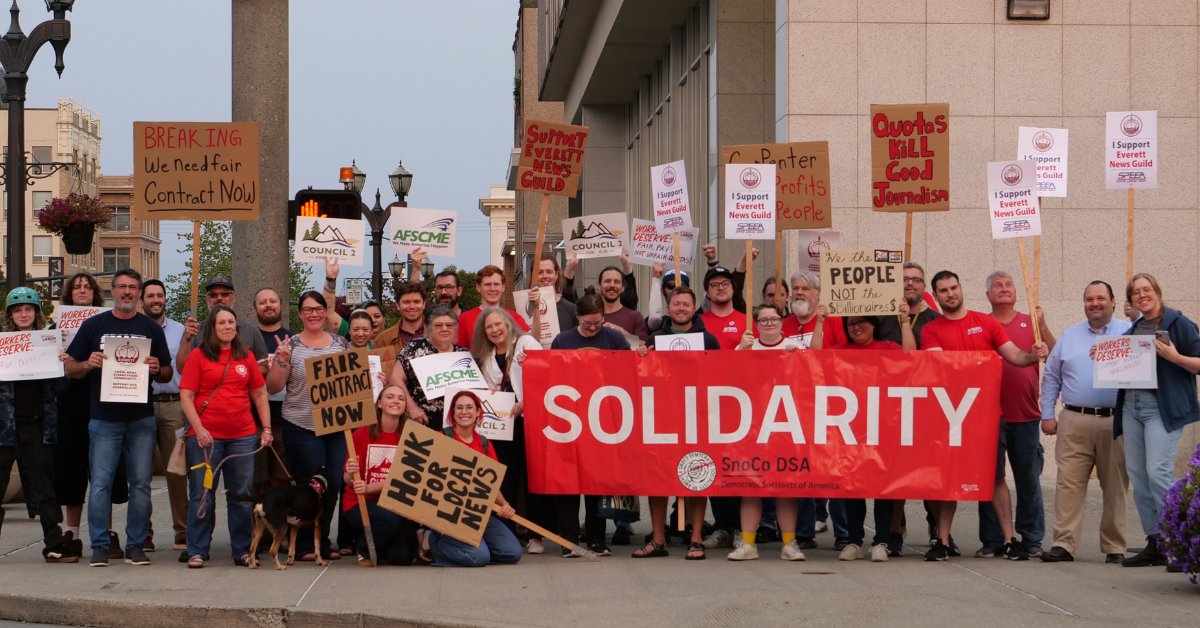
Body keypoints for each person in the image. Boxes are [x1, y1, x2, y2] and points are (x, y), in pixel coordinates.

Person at [919, 270, 1048, 562]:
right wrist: (981, 362)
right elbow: (943, 367)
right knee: (948, 479)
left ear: (961, 288)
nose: (950, 294)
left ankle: (1009, 539)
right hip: (950, 416)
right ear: (936, 296)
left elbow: (1015, 356)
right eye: (943, 290)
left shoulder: (986, 322)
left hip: (988, 415)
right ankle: (942, 541)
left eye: (953, 287)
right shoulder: (931, 330)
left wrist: (1032, 353)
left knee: (995, 478)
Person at [64, 268, 174, 567]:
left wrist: (155, 367)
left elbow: (167, 371)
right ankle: (100, 545)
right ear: (113, 290)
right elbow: (70, 369)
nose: (127, 292)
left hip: (141, 418)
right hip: (104, 418)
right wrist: (88, 363)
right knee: (100, 483)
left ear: (139, 293)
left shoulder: (150, 329)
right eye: (122, 286)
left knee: (140, 484)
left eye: (133, 287)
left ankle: (135, 545)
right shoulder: (94, 325)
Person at [811, 308, 916, 563]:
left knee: (882, 487)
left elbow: (912, 356)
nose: (856, 327)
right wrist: (821, 321)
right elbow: (814, 356)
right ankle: (854, 541)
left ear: (874, 325)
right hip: (851, 430)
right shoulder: (841, 349)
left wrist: (904, 320)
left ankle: (881, 541)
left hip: (883, 428)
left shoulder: (888, 347)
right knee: (853, 487)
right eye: (851, 324)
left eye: (862, 323)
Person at [1039, 280, 1130, 564]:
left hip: (1116, 421)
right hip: (1074, 419)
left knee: (1115, 486)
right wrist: (1047, 413)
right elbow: (1052, 376)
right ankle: (1063, 544)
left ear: (1113, 302)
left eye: (1101, 298)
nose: (1095, 303)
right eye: (1089, 299)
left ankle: (1115, 546)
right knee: (1069, 484)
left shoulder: (1128, 333)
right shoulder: (1070, 336)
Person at [1116, 273, 1200, 569]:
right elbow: (1121, 365)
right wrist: (1102, 357)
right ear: (1131, 300)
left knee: (1158, 472)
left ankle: (1182, 542)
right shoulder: (1134, 329)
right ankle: (1156, 542)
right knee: (1138, 476)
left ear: (1157, 292)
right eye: (1136, 292)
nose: (1142, 295)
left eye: (1146, 289)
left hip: (1161, 407)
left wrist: (1175, 356)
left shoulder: (1179, 323)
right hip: (1132, 406)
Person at [179, 305, 273, 568]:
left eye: (231, 322)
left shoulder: (246, 356)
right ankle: (197, 549)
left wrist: (265, 429)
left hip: (242, 436)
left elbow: (259, 393)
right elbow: (186, 396)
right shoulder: (198, 356)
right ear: (212, 327)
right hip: (206, 439)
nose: (228, 327)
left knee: (241, 494)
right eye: (221, 323)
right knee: (201, 494)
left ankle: (242, 550)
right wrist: (198, 430)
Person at [636, 287, 719, 560]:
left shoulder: (708, 340)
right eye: (676, 303)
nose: (681, 308)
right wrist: (641, 357)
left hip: (698, 417)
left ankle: (695, 539)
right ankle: (658, 539)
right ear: (668, 308)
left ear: (694, 308)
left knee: (697, 475)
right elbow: (643, 377)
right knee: (657, 478)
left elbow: (722, 376)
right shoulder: (655, 339)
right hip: (662, 418)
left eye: (686, 303)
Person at [266, 290, 349, 561]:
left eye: (319, 309)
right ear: (300, 314)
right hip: (301, 426)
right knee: (310, 486)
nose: (314, 314)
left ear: (326, 312)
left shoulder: (341, 343)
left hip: (336, 427)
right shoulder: (290, 345)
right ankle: (303, 545)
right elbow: (274, 386)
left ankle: (322, 542)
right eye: (308, 309)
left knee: (334, 483)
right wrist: (281, 360)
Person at [977, 271, 1055, 559]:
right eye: (997, 285)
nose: (1004, 289)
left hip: (1025, 414)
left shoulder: (1030, 322)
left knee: (1028, 478)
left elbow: (1055, 355)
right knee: (990, 478)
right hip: (987, 415)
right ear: (987, 294)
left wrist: (1044, 327)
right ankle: (993, 539)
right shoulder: (981, 324)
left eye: (1008, 284)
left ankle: (1032, 537)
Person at [551, 288, 630, 556]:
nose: (594, 328)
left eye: (598, 323)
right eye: (588, 324)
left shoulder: (615, 338)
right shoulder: (563, 340)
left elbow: (629, 371)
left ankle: (597, 538)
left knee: (597, 480)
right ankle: (569, 540)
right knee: (568, 481)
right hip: (570, 418)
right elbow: (551, 375)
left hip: (602, 419)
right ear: (578, 318)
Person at [53, 271, 127, 558]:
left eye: (87, 286)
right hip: (71, 406)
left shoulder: (108, 323)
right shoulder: (55, 327)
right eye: (76, 287)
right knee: (73, 471)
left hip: (105, 400)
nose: (82, 290)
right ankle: (72, 533)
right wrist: (55, 348)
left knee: (104, 471)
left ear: (95, 293)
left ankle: (106, 532)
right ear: (69, 294)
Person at [0, 288, 75, 562]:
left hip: (37, 426)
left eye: (28, 309)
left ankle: (53, 545)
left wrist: (63, 365)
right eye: (18, 310)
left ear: (36, 313)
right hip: (4, 429)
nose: (23, 314)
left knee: (45, 489)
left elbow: (61, 390)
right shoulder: (2, 345)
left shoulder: (48, 343)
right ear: (10, 315)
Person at [727, 303, 805, 561]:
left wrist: (799, 359)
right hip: (752, 427)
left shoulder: (796, 348)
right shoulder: (746, 347)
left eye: (774, 319)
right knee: (751, 485)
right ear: (756, 324)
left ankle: (789, 543)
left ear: (782, 322)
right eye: (764, 320)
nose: (769, 323)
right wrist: (740, 350)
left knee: (785, 487)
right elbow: (727, 377)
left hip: (785, 426)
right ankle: (748, 543)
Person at [470, 307, 544, 550]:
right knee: (505, 479)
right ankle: (508, 532)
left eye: (498, 324)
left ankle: (535, 535)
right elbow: (488, 388)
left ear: (508, 322)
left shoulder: (526, 342)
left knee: (532, 478)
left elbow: (545, 375)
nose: (494, 330)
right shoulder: (486, 355)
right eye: (489, 327)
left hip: (531, 422)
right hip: (502, 426)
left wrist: (526, 402)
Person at [427, 390, 522, 567]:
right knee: (479, 558)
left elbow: (490, 485)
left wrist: (504, 505)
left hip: (478, 514)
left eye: (469, 407)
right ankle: (435, 543)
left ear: (478, 412)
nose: (464, 412)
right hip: (449, 515)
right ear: (453, 413)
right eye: (459, 408)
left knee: (512, 553)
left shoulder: (484, 443)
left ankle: (471, 546)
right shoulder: (443, 438)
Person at [342, 384, 419, 566]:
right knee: (390, 520)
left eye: (401, 398)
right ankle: (363, 548)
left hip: (394, 502)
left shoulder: (412, 436)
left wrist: (371, 486)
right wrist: (352, 474)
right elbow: (347, 479)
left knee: (403, 559)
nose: (396, 401)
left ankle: (379, 544)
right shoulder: (361, 433)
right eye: (390, 397)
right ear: (379, 404)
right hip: (360, 502)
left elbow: (406, 479)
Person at [141, 278, 189, 552]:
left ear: (165, 299)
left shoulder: (181, 331)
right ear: (142, 300)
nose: (156, 300)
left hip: (173, 403)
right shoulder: (133, 329)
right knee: (141, 473)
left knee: (177, 471)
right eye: (150, 295)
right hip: (141, 404)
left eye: (160, 295)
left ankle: (182, 532)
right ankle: (143, 533)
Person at [391, 305, 468, 431]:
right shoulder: (415, 347)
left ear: (456, 328)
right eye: (438, 325)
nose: (444, 329)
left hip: (455, 428)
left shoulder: (463, 354)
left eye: (449, 325)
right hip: (420, 424)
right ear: (430, 328)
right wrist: (411, 408)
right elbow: (395, 378)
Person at [177, 277, 269, 375]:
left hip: (241, 389)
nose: (219, 298)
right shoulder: (194, 330)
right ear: (206, 299)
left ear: (234, 297)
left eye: (225, 294)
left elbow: (263, 366)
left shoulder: (250, 330)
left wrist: (238, 373)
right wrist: (186, 340)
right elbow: (182, 370)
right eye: (213, 295)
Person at [252, 288, 291, 491]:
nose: (268, 305)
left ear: (281, 305)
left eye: (273, 301)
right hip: (253, 421)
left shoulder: (292, 339)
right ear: (255, 308)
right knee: (256, 481)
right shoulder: (247, 338)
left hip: (285, 420)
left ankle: (280, 523)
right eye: (263, 302)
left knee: (282, 480)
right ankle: (256, 523)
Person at [457, 266, 529, 348]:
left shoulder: (513, 316)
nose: (492, 288)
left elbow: (530, 342)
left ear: (503, 287)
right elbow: (461, 352)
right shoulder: (465, 318)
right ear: (478, 287)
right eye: (487, 284)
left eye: (496, 284)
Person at [782, 270, 846, 347]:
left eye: (805, 289)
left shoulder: (834, 321)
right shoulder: (783, 325)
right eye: (795, 288)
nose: (799, 292)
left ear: (817, 295)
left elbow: (843, 354)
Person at [595, 265, 648, 344]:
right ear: (599, 286)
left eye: (617, 282)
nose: (612, 285)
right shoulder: (590, 317)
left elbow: (643, 346)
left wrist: (621, 333)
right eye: (607, 281)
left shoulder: (635, 317)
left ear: (623, 287)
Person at [699, 266, 745, 350]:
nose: (720, 288)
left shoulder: (747, 322)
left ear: (733, 289)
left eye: (725, 283)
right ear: (707, 293)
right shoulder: (697, 323)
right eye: (714, 285)